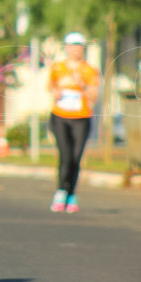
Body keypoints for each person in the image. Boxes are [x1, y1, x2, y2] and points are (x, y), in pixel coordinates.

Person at [47, 32, 100, 214]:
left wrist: (82, 86)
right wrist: (56, 91)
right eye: (72, 45)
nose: (75, 49)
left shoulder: (89, 70)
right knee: (65, 155)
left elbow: (94, 96)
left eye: (79, 45)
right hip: (60, 117)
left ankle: (72, 194)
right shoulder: (58, 67)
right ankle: (61, 191)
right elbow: (51, 87)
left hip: (81, 118)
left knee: (76, 158)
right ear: (67, 47)